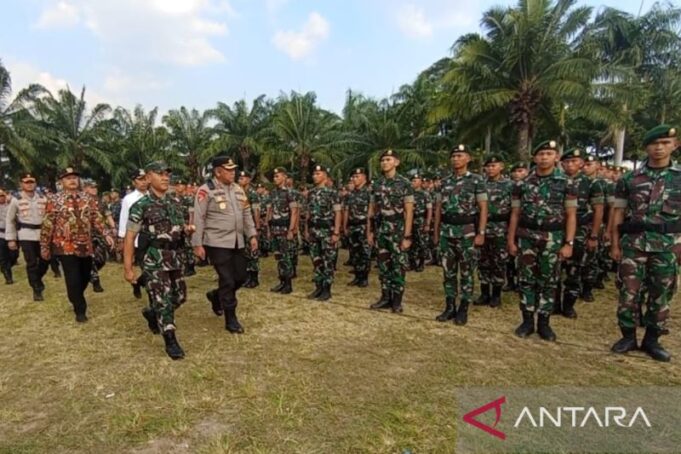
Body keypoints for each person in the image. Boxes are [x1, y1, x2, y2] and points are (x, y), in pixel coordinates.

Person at [610, 125, 680, 362]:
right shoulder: (630, 179)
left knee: (661, 294)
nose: (659, 148)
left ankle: (652, 340)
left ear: (675, 145)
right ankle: (628, 337)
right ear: (646, 147)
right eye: (654, 143)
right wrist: (615, 244)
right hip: (634, 244)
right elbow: (618, 214)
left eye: (665, 142)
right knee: (628, 293)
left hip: (668, 246)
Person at [507, 140, 577, 341]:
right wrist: (511, 241)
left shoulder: (566, 183)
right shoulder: (522, 184)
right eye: (541, 154)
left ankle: (544, 323)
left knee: (549, 281)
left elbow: (571, 215)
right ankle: (527, 321)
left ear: (556, 157)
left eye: (549, 153)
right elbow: (515, 214)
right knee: (526, 280)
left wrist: (569, 243)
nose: (544, 157)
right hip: (527, 236)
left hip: (552, 239)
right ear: (534, 158)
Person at [124, 161, 189, 360]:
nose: (165, 177)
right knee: (164, 300)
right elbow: (129, 237)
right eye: (160, 174)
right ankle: (170, 340)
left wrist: (187, 230)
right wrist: (128, 268)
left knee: (180, 297)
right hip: (154, 260)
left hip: (175, 258)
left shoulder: (175, 203)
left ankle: (152, 314)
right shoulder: (140, 206)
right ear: (149, 177)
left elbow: (179, 228)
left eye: (167, 174)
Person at [40, 167, 113, 322]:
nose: (72, 180)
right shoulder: (54, 200)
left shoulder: (88, 198)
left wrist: (106, 234)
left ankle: (75, 295)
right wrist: (45, 246)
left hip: (85, 245)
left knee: (86, 275)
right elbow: (48, 224)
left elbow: (96, 218)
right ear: (61, 182)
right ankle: (80, 309)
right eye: (68, 178)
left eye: (75, 177)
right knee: (72, 277)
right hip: (65, 246)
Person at [194, 157, 258, 333]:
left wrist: (252, 234)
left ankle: (216, 295)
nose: (233, 173)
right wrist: (197, 244)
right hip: (217, 242)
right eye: (228, 170)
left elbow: (246, 213)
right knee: (228, 280)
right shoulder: (206, 190)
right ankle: (231, 319)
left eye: (233, 170)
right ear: (217, 172)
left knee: (241, 277)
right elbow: (198, 217)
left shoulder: (238, 189)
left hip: (237, 241)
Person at [433, 145, 488, 324]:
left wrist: (481, 233)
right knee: (448, 272)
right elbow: (439, 209)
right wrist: (436, 232)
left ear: (468, 158)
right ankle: (450, 307)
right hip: (447, 231)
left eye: (460, 155)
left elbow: (483, 208)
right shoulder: (444, 182)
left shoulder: (477, 180)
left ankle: (463, 308)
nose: (456, 159)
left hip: (467, 231)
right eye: (454, 156)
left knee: (466, 272)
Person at [558, 151, 604, 318]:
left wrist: (593, 235)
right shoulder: (557, 181)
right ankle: (555, 303)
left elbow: (599, 211)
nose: (570, 164)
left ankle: (568, 305)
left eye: (574, 161)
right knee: (554, 269)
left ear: (581, 163)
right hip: (557, 229)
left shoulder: (591, 184)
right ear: (562, 164)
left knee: (574, 269)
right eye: (567, 161)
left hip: (580, 230)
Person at [367, 149, 414, 313]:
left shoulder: (404, 183)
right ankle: (385, 297)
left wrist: (407, 235)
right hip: (381, 230)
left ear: (396, 162)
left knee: (398, 265)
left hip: (398, 230)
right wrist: (370, 231)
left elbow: (409, 211)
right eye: (383, 160)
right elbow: (372, 210)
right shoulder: (377, 184)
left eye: (388, 159)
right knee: (383, 265)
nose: (384, 162)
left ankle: (397, 301)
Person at [5, 172, 49, 301]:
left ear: (35, 183)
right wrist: (11, 239)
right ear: (21, 184)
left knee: (45, 260)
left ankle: (37, 278)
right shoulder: (16, 200)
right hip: (26, 234)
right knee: (31, 263)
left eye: (32, 182)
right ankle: (36, 288)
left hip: (42, 234)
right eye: (26, 182)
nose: (29, 184)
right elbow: (10, 220)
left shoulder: (43, 198)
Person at [478, 155, 512, 308]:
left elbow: (514, 211)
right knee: (483, 261)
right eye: (488, 166)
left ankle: (496, 294)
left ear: (501, 167)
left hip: (501, 227)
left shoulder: (509, 185)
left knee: (499, 261)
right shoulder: (480, 184)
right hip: (482, 227)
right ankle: (484, 293)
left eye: (494, 165)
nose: (490, 169)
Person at [305, 165, 342, 301]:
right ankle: (318, 287)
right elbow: (308, 213)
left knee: (328, 261)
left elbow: (338, 213)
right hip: (314, 230)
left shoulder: (333, 193)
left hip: (327, 231)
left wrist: (336, 232)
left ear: (325, 176)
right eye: (314, 173)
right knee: (316, 260)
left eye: (318, 173)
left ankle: (327, 289)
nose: (315, 176)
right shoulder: (311, 193)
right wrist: (306, 230)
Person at [267, 168, 299, 294]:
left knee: (286, 257)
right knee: (279, 257)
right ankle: (281, 281)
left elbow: (294, 212)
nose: (275, 178)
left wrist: (291, 230)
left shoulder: (290, 193)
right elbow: (270, 211)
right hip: (275, 229)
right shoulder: (273, 193)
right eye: (274, 176)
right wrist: (269, 229)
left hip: (285, 230)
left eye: (277, 176)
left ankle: (288, 284)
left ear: (284, 177)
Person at [118, 169, 148, 299]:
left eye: (145, 179)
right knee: (146, 268)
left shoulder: (154, 195)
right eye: (140, 179)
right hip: (137, 239)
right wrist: (122, 238)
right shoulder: (128, 199)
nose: (143, 182)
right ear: (134, 182)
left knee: (151, 271)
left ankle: (138, 283)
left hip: (153, 238)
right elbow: (124, 219)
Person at [343, 168, 372, 287]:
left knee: (365, 253)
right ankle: (357, 275)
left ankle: (364, 277)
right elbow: (347, 211)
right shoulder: (351, 194)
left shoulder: (369, 193)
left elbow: (372, 212)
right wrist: (345, 226)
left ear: (364, 178)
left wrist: (371, 230)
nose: (354, 179)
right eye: (353, 177)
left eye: (357, 176)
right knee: (354, 253)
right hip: (353, 226)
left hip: (364, 225)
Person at [237, 170, 261, 288]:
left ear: (248, 179)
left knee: (253, 252)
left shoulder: (252, 193)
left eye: (243, 178)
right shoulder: (238, 193)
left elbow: (256, 211)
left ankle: (254, 278)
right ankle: (247, 277)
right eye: (239, 178)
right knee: (245, 253)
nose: (240, 180)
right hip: (241, 227)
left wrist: (256, 226)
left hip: (250, 226)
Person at [409, 174, 432, 273]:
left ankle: (421, 263)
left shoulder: (425, 194)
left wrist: (427, 223)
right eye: (413, 180)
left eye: (416, 180)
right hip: (410, 221)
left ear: (420, 182)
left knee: (422, 243)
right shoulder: (409, 194)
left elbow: (429, 209)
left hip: (421, 220)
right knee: (411, 243)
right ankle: (412, 263)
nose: (413, 182)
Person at [0, 188, 18, 284]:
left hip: (12, 233)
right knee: (3, 257)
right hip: (1, 234)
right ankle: (8, 276)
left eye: (2, 195)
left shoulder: (11, 205)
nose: (1, 198)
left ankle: (7, 266)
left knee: (14, 254)